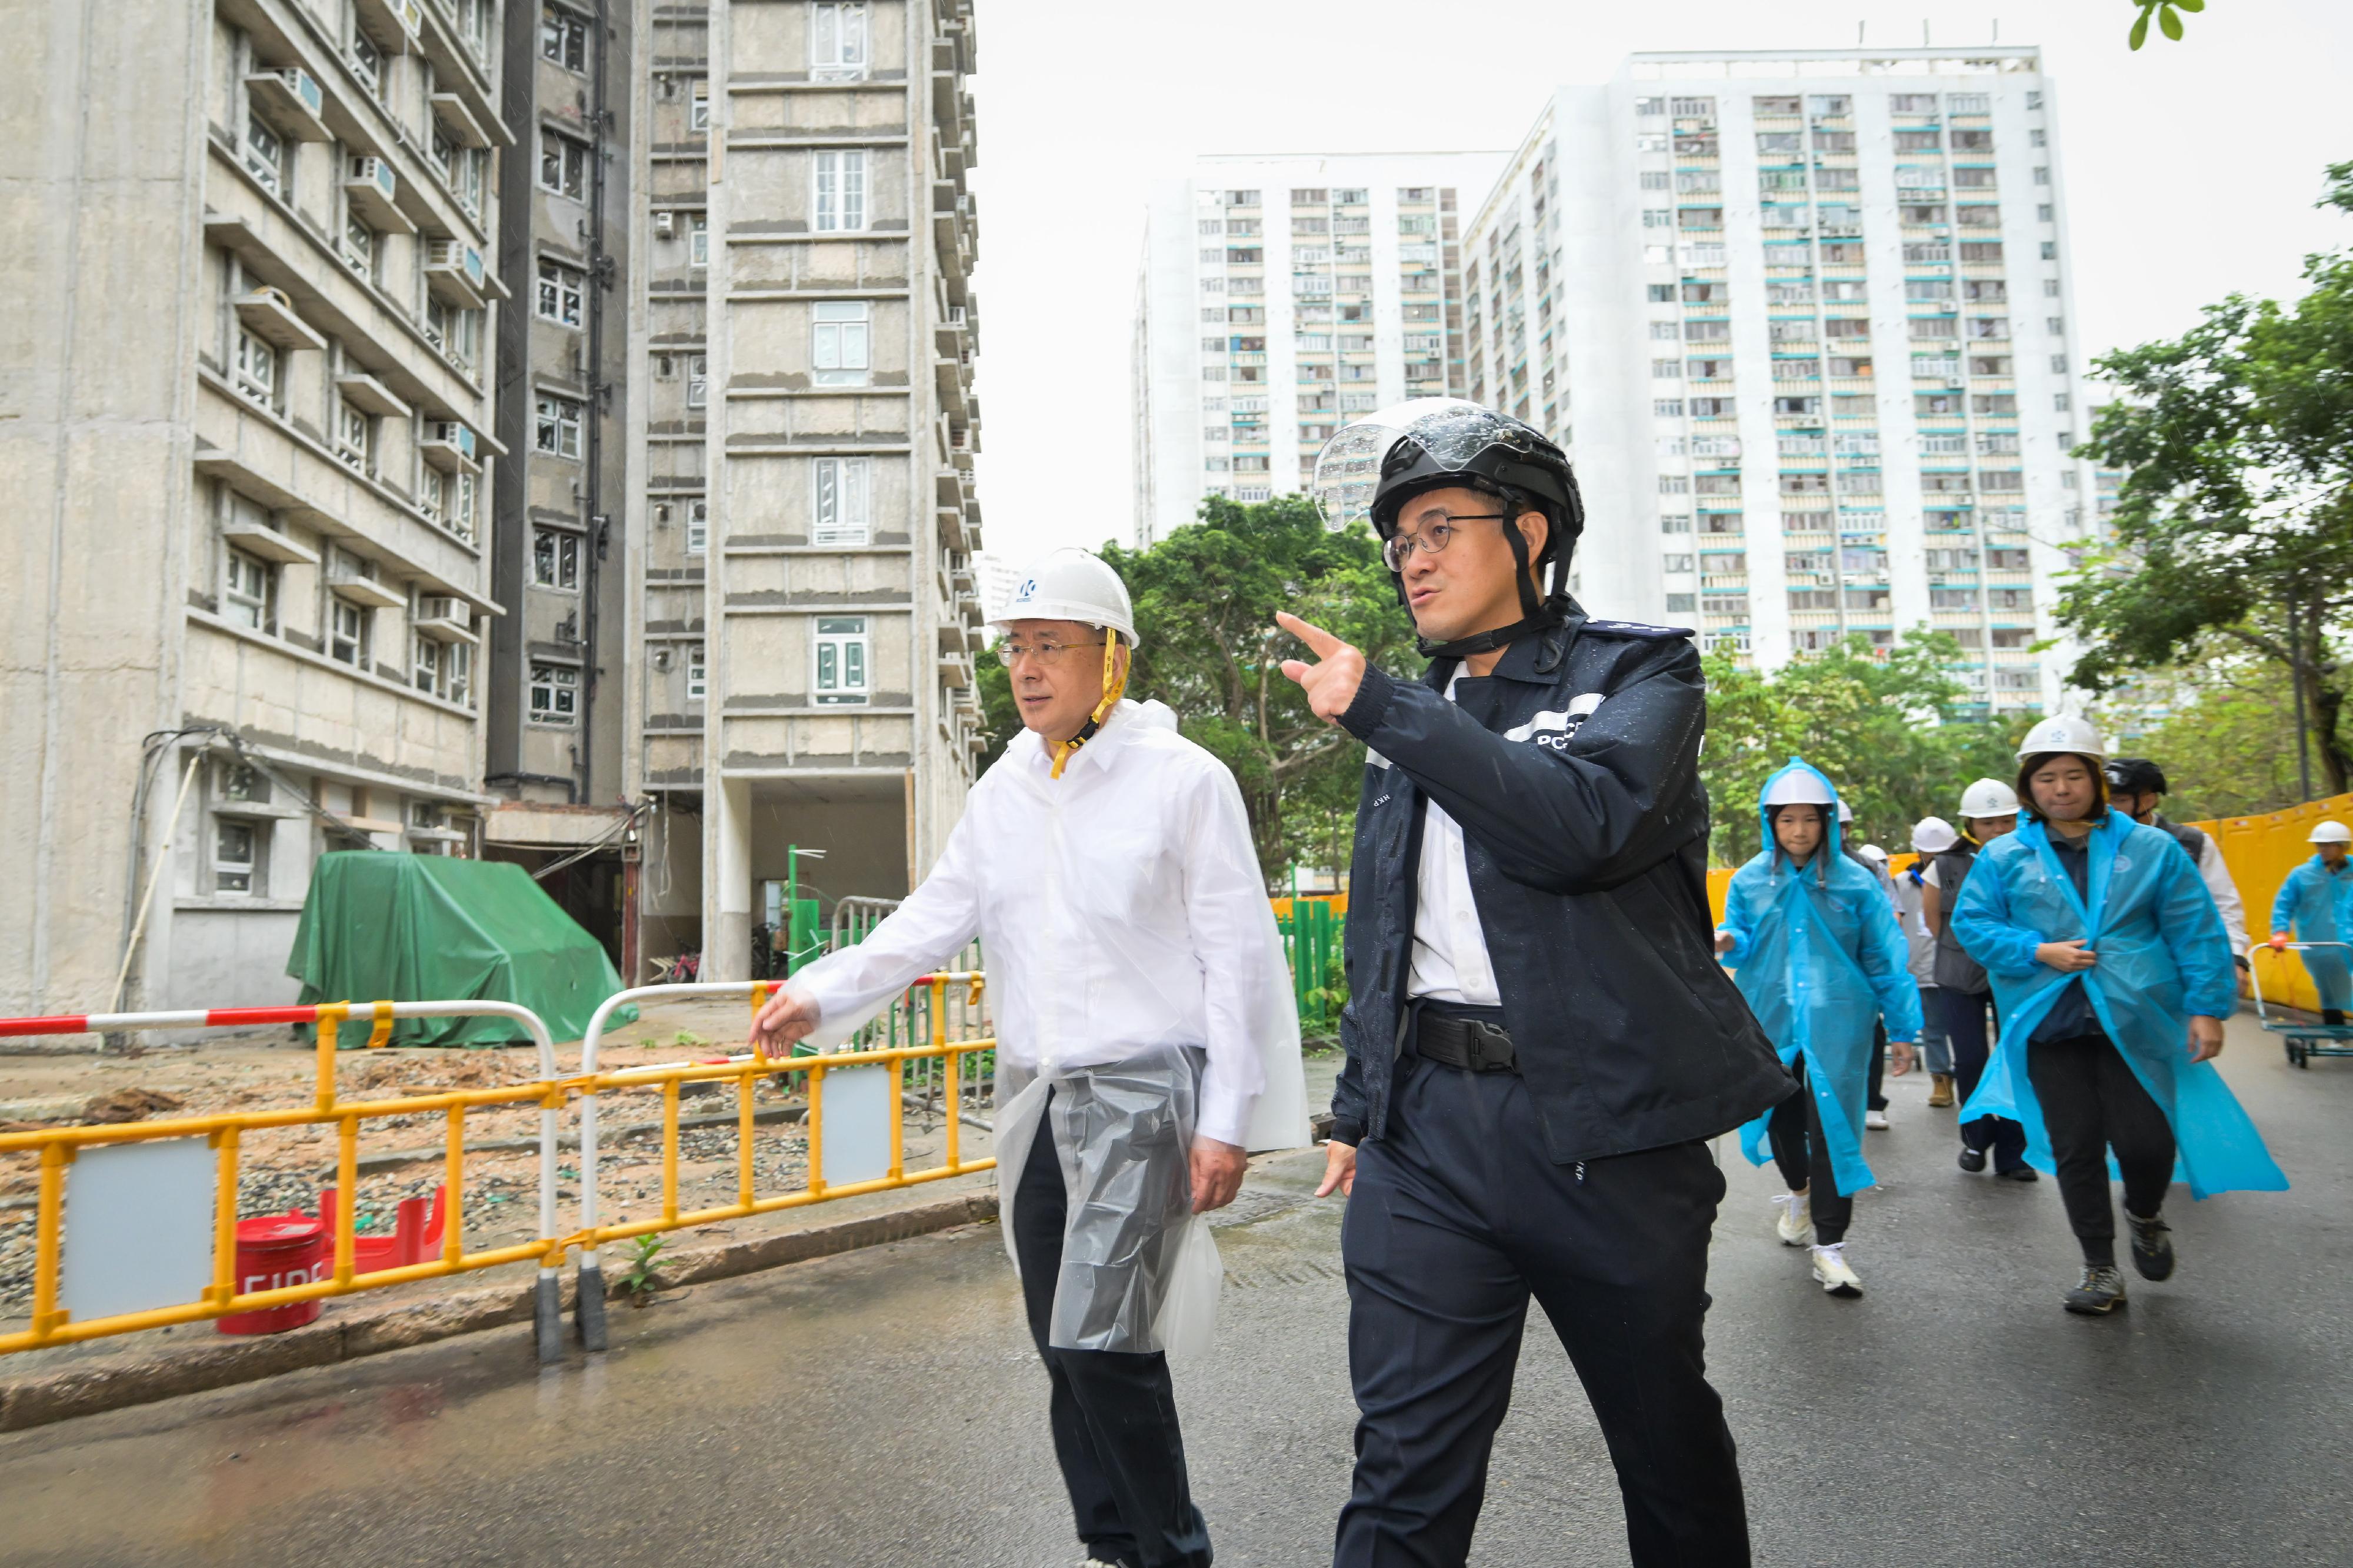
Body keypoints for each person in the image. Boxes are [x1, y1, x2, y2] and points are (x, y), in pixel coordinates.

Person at [1284, 399, 1787, 1567]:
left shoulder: (1640, 672)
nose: (1410, 559)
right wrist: (1360, 1108)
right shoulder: (1407, 723)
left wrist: (1387, 707)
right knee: (1402, 1462)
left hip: (1606, 1131)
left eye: (1438, 527)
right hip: (1427, 1133)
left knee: (1660, 1438)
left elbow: (1577, 828)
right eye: (1397, 539)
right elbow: (1386, 928)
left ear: (1527, 533)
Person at [749, 549, 1309, 1568]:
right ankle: (1112, 1545)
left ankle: (1173, 1552)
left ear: (1115, 658)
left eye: (1054, 645)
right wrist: (822, 990)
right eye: (1017, 647)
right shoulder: (1008, 785)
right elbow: (933, 918)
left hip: (1145, 1091)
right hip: (1036, 1097)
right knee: (1065, 1341)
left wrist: (1228, 1120)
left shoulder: (1184, 781)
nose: (1029, 667)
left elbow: (1236, 962)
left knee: (1104, 1337)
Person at [1951, 715, 2286, 1316]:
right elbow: (1972, 923)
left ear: (2096, 781)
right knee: (2075, 1145)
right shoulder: (2004, 855)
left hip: (2136, 1017)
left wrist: (2209, 1009)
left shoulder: (2149, 847)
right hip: (2048, 1022)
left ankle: (2145, 1212)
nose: (2060, 788)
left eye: (2073, 775)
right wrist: (2037, 949)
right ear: (2029, 787)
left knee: (2146, 1142)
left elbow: (2193, 927)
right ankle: (2099, 1266)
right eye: (2046, 777)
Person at [1716, 760, 1922, 1297]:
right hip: (1772, 1019)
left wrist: (1902, 1029)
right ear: (1771, 823)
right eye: (1788, 820)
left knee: (1834, 1128)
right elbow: (1740, 931)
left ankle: (1830, 1247)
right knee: (1783, 1120)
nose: (1800, 831)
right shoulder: (1751, 879)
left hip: (1842, 1023)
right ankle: (1799, 1192)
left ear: (1828, 821)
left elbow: (1883, 958)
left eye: (1810, 819)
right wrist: (1727, 940)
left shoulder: (1856, 883)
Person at [1922, 779, 2034, 1182]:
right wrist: (1966, 951)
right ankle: (1974, 1139)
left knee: (2015, 1059)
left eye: (2007, 820)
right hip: (1958, 973)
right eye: (1988, 823)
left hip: (2019, 973)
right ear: (1970, 823)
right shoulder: (1946, 866)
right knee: (1970, 1059)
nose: (1999, 830)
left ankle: (2013, 1153)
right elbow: (1934, 920)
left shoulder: (2033, 858)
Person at [2107, 757, 2252, 993]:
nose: (2108, 808)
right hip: (2114, 976)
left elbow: (2223, 904)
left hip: (2180, 973)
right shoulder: (2092, 841)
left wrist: (2235, 957)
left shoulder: (2192, 844)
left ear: (2149, 799)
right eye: (2103, 799)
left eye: (2119, 800)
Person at [2268, 820, 2353, 1025]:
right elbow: (2284, 904)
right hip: (2319, 945)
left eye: (2328, 845)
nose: (2322, 850)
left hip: (2349, 941)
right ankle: (2337, 1033)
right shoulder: (2301, 875)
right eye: (2319, 845)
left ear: (2342, 846)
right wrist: (2280, 931)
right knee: (2328, 988)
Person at [1899, 818, 1959, 1106]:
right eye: (1930, 854)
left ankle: (1970, 1078)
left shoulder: (1957, 878)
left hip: (1961, 969)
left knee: (1964, 1029)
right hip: (1923, 969)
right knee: (1933, 1028)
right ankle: (1941, 1081)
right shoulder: (1903, 883)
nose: (1936, 860)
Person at [1852, 839, 1898, 1129]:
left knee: (1872, 1034)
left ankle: (1871, 1102)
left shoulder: (1869, 871)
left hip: (1862, 972)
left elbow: (1892, 919)